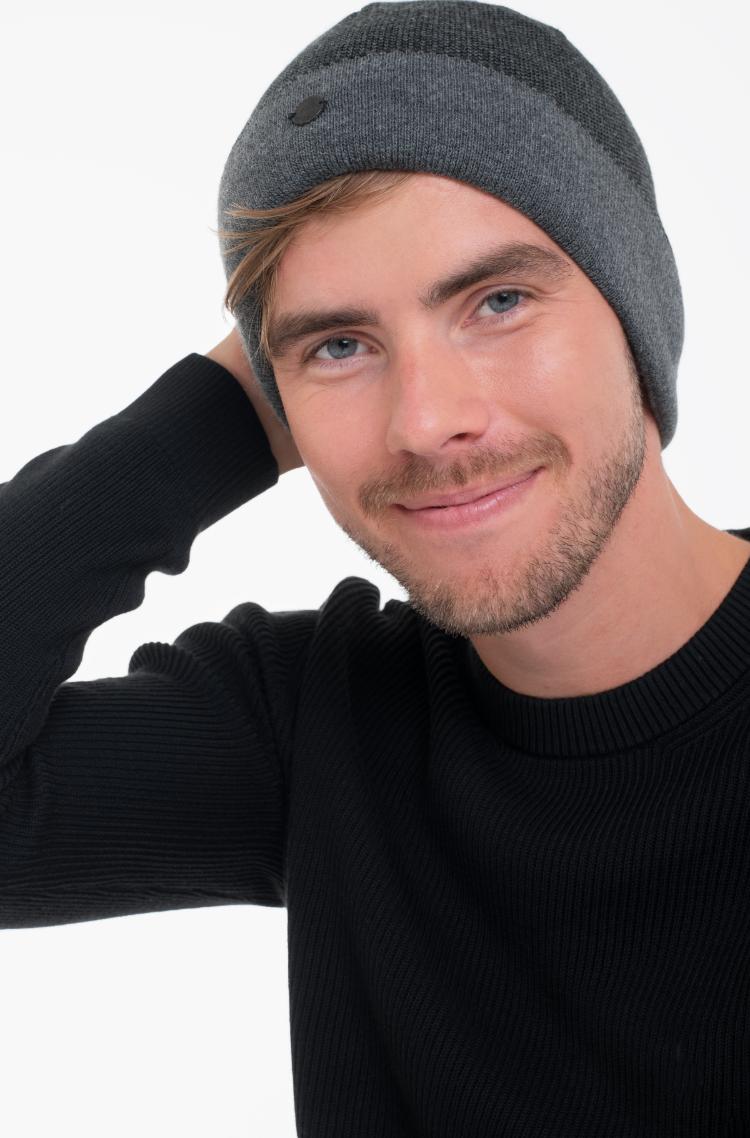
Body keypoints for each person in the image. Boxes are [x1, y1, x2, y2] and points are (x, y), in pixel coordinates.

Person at [2, 2, 749, 1134]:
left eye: (499, 301)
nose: (427, 420)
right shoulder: (323, 726)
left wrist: (313, 351)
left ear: (637, 314)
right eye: (341, 346)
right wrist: (222, 411)